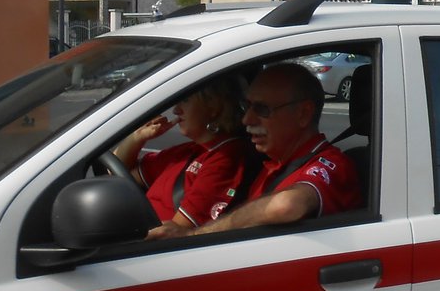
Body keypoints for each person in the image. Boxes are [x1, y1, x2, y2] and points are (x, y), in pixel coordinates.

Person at [151, 62, 361, 238]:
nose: (247, 119)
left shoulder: (332, 164)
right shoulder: (272, 163)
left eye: (261, 109)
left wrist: (194, 236)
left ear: (303, 114)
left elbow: (286, 205)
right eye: (247, 106)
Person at [113, 74, 251, 230]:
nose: (176, 110)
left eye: (185, 101)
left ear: (213, 107)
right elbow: (117, 177)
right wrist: (137, 138)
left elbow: (177, 231)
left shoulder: (226, 158)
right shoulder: (188, 151)